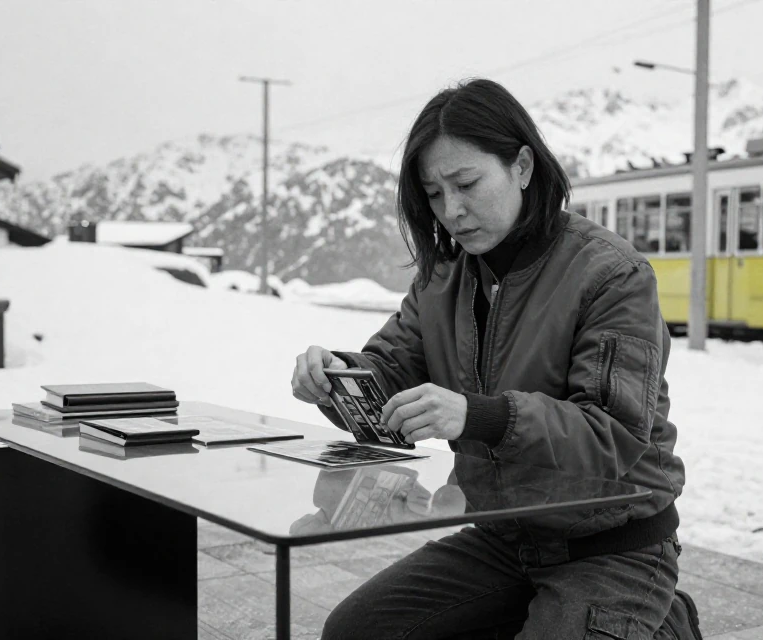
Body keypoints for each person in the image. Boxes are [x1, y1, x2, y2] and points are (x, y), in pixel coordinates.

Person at [291, 78, 700, 640]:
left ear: (523, 167)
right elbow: (389, 371)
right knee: (356, 632)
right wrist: (336, 378)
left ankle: (659, 622)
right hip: (502, 539)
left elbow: (614, 435)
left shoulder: (611, 274)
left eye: (466, 183)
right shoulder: (443, 278)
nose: (452, 211)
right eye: (434, 194)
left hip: (613, 546)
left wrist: (477, 415)